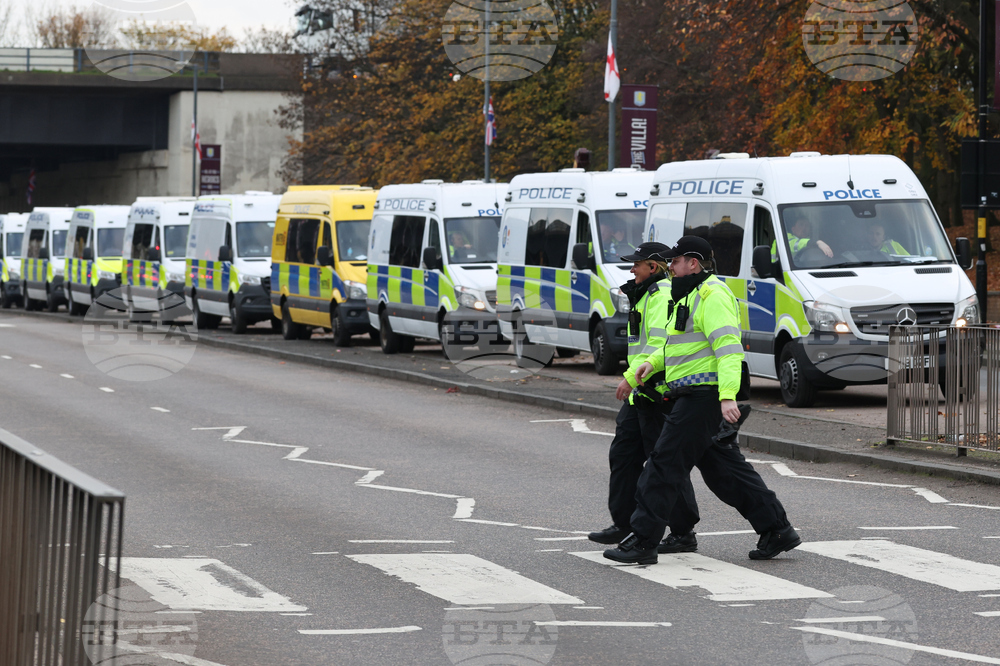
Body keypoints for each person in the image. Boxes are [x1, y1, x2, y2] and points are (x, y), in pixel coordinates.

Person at [604, 235, 801, 565]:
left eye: (676, 262)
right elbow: (672, 344)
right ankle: (776, 529)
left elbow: (727, 348)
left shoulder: (712, 294)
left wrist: (727, 397)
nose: (672, 268)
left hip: (706, 395)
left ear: (692, 263)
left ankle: (643, 540)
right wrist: (651, 364)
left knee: (663, 465)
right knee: (721, 470)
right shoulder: (687, 295)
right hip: (688, 394)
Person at [587, 242, 700, 554]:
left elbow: (659, 346)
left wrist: (629, 377)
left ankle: (682, 531)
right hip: (639, 393)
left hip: (655, 393)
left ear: (653, 267)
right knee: (623, 458)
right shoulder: (643, 295)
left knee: (663, 465)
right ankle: (625, 524)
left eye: (636, 264)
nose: (631, 269)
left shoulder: (662, 295)